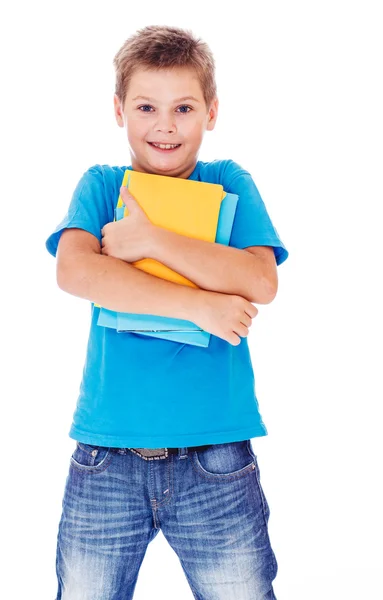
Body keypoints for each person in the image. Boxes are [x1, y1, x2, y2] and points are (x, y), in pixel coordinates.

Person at [45, 24, 288, 600]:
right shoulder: (103, 187)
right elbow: (76, 272)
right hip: (106, 455)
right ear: (118, 110)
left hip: (216, 458)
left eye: (183, 107)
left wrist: (151, 241)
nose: (165, 124)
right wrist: (199, 306)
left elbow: (259, 280)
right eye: (146, 106)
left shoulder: (228, 182)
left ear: (211, 111)